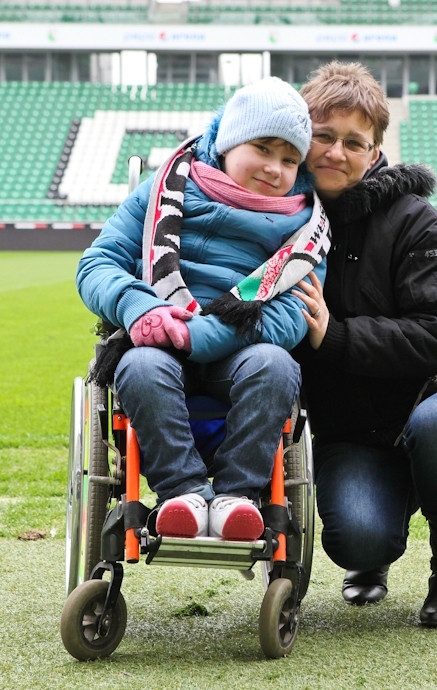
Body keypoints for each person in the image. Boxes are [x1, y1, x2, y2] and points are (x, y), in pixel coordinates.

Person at [291, 62, 437, 628]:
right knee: (359, 541)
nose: (336, 152)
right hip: (352, 429)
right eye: (324, 136)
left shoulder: (414, 220)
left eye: (354, 142)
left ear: (375, 150)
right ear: (299, 134)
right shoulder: (274, 216)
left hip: (435, 398)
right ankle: (378, 547)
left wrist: (334, 336)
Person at [76, 77, 329, 543]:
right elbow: (97, 263)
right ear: (230, 141)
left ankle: (238, 498)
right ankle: (183, 495)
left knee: (275, 365)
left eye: (290, 159)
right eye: (264, 148)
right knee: (141, 365)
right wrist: (136, 307)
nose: (276, 168)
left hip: (239, 350)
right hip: (157, 336)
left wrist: (203, 335)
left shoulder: (307, 230)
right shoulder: (164, 187)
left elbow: (293, 314)